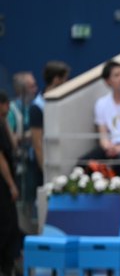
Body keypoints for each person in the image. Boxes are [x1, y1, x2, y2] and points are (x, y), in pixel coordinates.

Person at [29, 60, 70, 195]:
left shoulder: (63, 102)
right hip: (44, 166)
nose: (67, 82)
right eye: (65, 79)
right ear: (57, 80)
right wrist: (45, 171)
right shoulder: (37, 107)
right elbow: (37, 143)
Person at [0, 90, 20, 276]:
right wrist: (11, 185)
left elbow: (13, 145)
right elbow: (1, 159)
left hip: (5, 182)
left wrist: (5, 122)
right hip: (2, 183)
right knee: (6, 224)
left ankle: (7, 266)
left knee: (11, 224)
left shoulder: (2, 124)